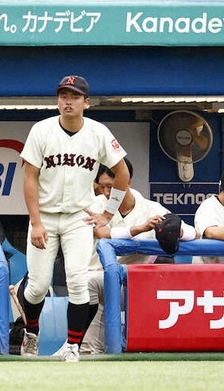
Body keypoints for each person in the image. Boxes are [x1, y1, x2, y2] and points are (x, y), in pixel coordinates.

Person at [15, 74, 130, 362]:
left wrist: (107, 213)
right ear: (58, 100)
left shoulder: (98, 132)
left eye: (74, 96)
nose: (68, 101)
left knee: (78, 281)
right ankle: (31, 333)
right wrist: (36, 222)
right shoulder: (41, 130)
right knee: (38, 285)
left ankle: (73, 347)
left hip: (79, 217)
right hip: (46, 215)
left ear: (86, 102)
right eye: (64, 95)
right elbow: (30, 178)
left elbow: (123, 174)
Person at [79, 161, 198, 355]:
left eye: (111, 186)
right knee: (88, 348)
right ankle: (79, 346)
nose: (107, 192)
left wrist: (175, 230)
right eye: (102, 186)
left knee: (92, 348)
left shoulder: (150, 208)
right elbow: (103, 233)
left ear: (127, 181)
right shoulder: (96, 205)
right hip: (97, 281)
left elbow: (195, 233)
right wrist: (139, 229)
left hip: (132, 288)